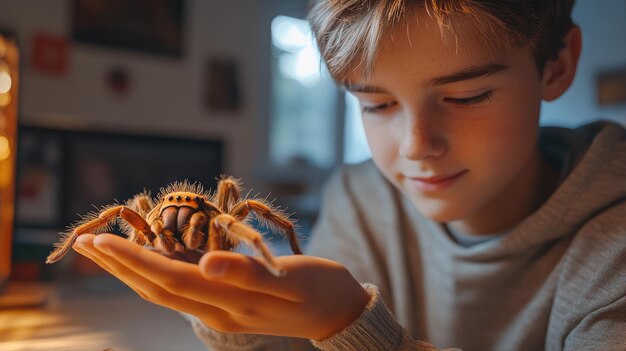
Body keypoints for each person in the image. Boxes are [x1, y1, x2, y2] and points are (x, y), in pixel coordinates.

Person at [71, 0, 626, 350]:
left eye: (467, 95)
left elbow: (336, 323)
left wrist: (351, 327)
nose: (416, 147)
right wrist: (239, 318)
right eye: (377, 104)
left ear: (556, 64)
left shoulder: (613, 242)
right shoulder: (362, 195)